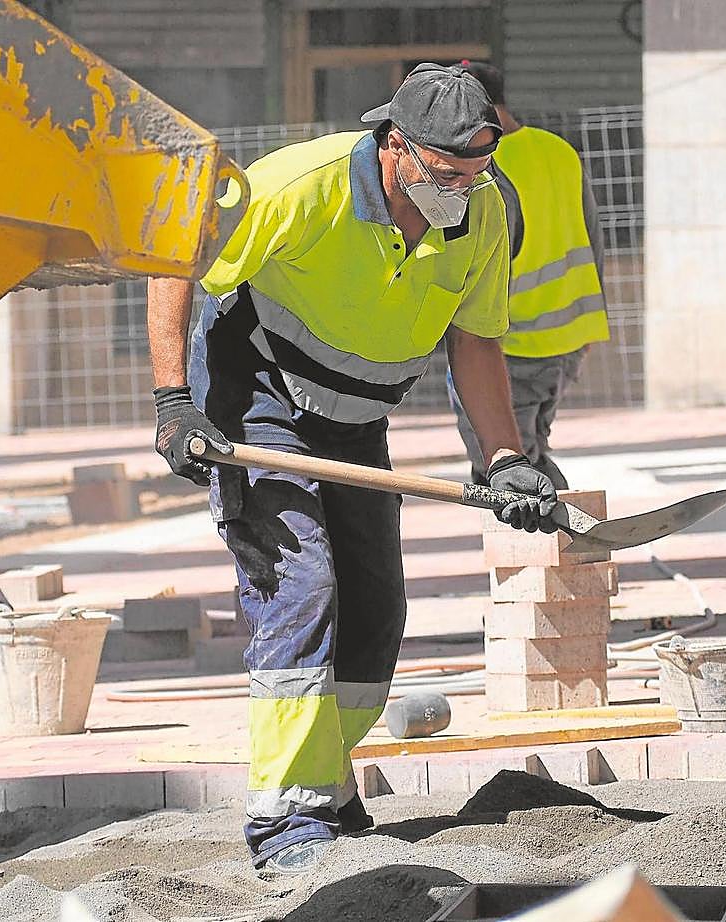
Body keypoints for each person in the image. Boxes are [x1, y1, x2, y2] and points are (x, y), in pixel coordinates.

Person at [147, 63, 559, 875]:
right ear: (396, 146)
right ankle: (284, 824)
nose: (464, 189)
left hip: (356, 417)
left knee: (375, 617)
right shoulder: (299, 186)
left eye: (479, 172)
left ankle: (325, 787)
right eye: (447, 173)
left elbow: (474, 341)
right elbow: (175, 256)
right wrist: (172, 400)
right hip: (254, 389)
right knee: (301, 589)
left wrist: (507, 458)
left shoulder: (482, 212)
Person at [447, 61, 610, 489]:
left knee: (507, 468)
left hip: (509, 342)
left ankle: (563, 543)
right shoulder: (559, 150)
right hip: (567, 340)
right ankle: (557, 547)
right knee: (531, 449)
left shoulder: (483, 165)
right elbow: (594, 242)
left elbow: (476, 258)